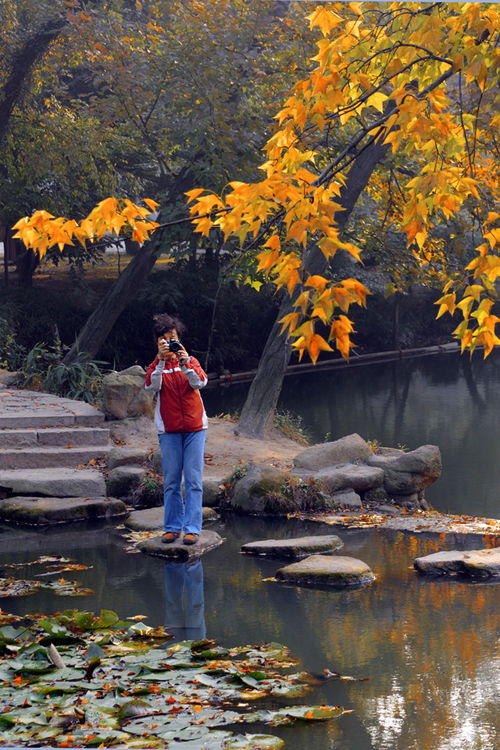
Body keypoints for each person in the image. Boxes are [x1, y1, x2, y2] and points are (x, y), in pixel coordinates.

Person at [145, 313, 208, 545]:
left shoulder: (191, 361)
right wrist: (161, 361)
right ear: (157, 342)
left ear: (179, 338)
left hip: (195, 428)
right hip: (169, 430)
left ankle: (192, 529)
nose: (169, 343)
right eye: (164, 339)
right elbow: (152, 386)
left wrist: (185, 363)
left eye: (173, 338)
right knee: (171, 480)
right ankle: (172, 528)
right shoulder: (155, 366)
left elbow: (200, 382)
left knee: (193, 480)